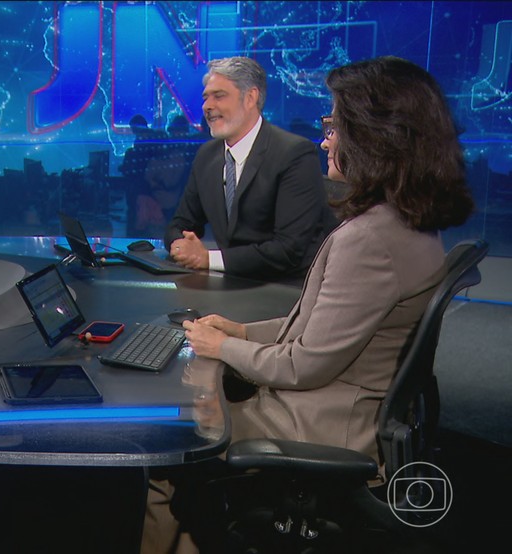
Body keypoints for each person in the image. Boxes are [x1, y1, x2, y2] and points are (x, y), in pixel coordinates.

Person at [145, 56, 475, 553]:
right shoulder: (408, 223)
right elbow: (323, 324)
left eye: (335, 127)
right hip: (348, 404)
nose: (326, 140)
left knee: (171, 443)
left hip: (321, 423)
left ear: (375, 137)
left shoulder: (369, 239)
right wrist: (241, 331)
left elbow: (303, 365)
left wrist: (219, 347)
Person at [163, 57, 336, 282]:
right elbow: (180, 224)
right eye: (206, 97)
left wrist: (207, 258)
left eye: (219, 96)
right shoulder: (207, 156)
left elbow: (288, 250)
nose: (207, 106)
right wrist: (180, 246)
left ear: (250, 98)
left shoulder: (294, 154)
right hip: (228, 285)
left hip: (284, 289)